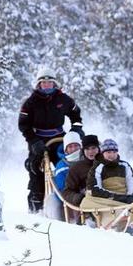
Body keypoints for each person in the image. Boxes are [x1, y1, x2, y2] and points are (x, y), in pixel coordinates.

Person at [18, 67, 84, 213]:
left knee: (70, 166)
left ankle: (74, 199)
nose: (47, 85)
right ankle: (36, 209)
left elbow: (76, 115)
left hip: (59, 139)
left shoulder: (63, 99)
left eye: (49, 82)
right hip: (38, 141)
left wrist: (76, 129)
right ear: (39, 84)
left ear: (54, 83)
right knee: (36, 172)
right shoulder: (30, 102)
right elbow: (23, 125)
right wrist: (33, 141)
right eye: (43, 83)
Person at [80, 139, 133, 227]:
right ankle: (117, 222)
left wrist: (131, 196)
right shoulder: (97, 168)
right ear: (103, 153)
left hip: (125, 194)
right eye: (108, 152)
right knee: (92, 199)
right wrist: (117, 197)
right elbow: (95, 188)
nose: (112, 155)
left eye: (114, 152)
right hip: (107, 199)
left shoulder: (124, 165)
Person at [62, 134, 100, 208]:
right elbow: (67, 192)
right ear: (83, 150)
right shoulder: (76, 168)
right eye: (87, 149)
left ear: (98, 149)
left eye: (93, 148)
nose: (91, 151)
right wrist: (79, 198)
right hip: (89, 203)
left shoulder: (106, 163)